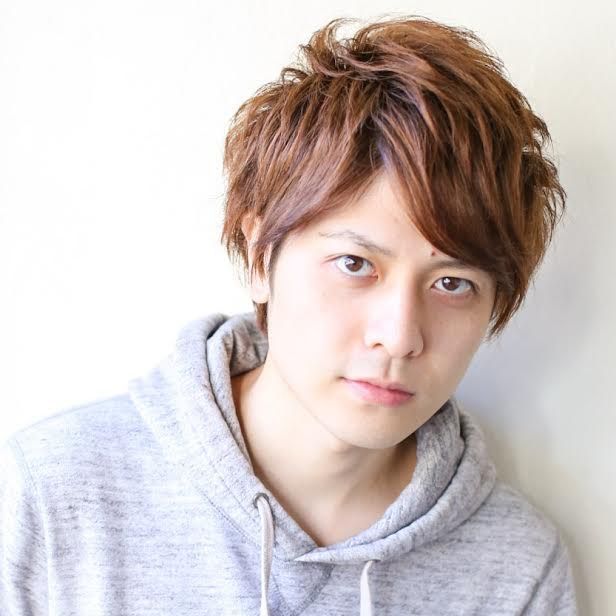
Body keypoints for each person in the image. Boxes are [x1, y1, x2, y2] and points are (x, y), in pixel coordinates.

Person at [0, 15, 577, 615]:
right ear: (259, 257)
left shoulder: (516, 567)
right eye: (355, 264)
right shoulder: (51, 496)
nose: (400, 335)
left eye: (452, 283)